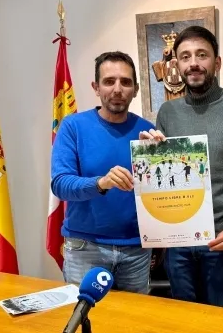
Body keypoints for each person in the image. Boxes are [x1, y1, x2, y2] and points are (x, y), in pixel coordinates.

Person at [140, 26, 223, 309]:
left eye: (202, 55)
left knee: (220, 323)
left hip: (222, 241)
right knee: (185, 322)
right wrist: (149, 154)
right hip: (178, 243)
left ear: (217, 63)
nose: (194, 63)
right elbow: (165, 176)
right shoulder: (168, 113)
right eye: (185, 57)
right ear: (177, 65)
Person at [51, 51, 155, 293]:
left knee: (132, 316)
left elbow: (158, 193)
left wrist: (162, 157)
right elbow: (60, 184)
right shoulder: (73, 126)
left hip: (136, 250)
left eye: (125, 82)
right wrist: (101, 183)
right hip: (85, 248)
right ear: (96, 87)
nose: (117, 89)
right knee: (83, 315)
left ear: (135, 89)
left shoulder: (147, 131)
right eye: (109, 81)